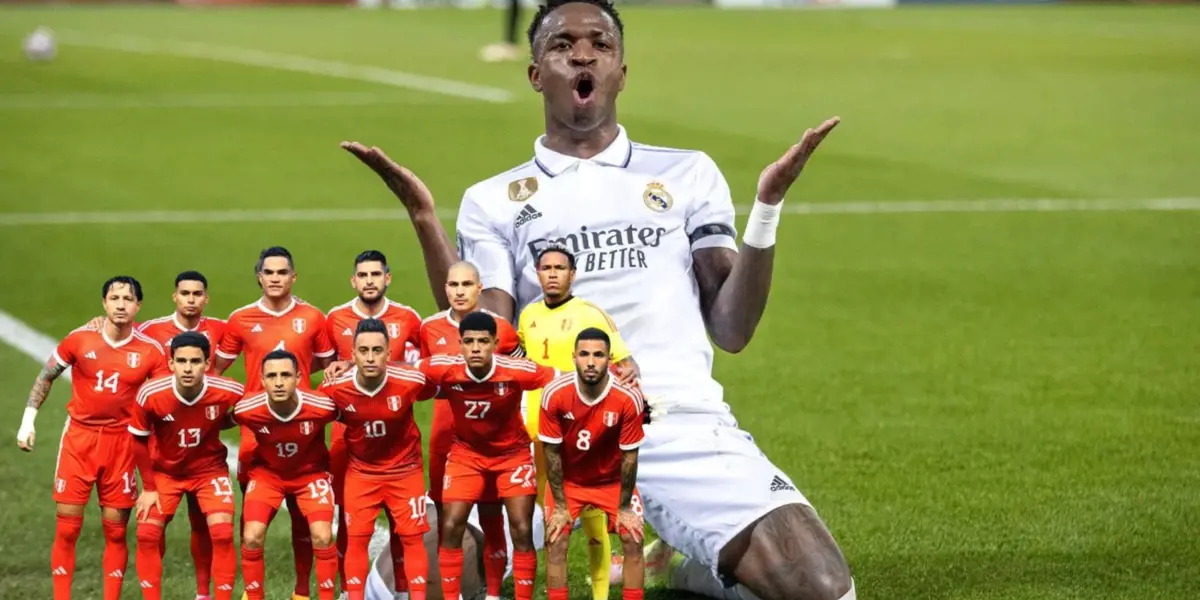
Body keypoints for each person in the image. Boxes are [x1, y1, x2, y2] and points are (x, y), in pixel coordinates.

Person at [340, 0, 852, 597]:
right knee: (408, 586)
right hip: (544, 433)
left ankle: (697, 567)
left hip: (676, 423)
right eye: (562, 45)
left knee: (823, 589)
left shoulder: (688, 174)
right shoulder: (495, 201)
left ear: (621, 71)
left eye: (600, 44)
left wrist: (766, 209)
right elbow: (488, 332)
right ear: (536, 73)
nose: (582, 54)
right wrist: (426, 220)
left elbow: (732, 329)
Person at [16, 276, 167, 600]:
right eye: (115, 298)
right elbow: (46, 376)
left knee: (115, 529)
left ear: (138, 306)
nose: (121, 304)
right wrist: (28, 420)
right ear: (104, 303)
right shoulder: (79, 339)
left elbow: (163, 401)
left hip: (123, 444)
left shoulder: (151, 353)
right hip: (79, 440)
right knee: (68, 527)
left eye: (128, 299)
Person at [212, 246, 337, 600]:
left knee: (304, 516)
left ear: (293, 277)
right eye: (269, 272)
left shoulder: (313, 317)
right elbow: (217, 371)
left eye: (283, 272)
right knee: (253, 516)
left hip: (303, 424)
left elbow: (329, 367)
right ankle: (250, 589)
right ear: (259, 276)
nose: (276, 278)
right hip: (255, 427)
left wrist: (296, 382)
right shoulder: (240, 319)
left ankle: (301, 591)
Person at [517, 244, 636, 600]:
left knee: (594, 520)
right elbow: (524, 361)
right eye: (546, 267)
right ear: (537, 273)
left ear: (573, 274)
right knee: (545, 518)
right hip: (537, 432)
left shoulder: (590, 314)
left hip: (580, 436)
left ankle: (600, 594)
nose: (552, 273)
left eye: (560, 268)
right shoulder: (529, 314)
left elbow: (624, 364)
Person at [414, 311, 557, 600]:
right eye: (469, 342)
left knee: (520, 527)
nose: (476, 348)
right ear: (460, 343)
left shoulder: (516, 370)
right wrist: (345, 367)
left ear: (494, 342)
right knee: (452, 522)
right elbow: (397, 371)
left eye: (483, 341)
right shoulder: (443, 367)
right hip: (467, 454)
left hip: (512, 455)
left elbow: (561, 380)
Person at [324, 250, 422, 597]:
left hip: (395, 433)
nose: (369, 281)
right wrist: (335, 370)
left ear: (387, 278)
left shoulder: (408, 318)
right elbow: (324, 367)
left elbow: (424, 364)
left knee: (403, 527)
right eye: (362, 275)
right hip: (348, 435)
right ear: (354, 281)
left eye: (375, 275)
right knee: (348, 521)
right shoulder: (334, 318)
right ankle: (347, 589)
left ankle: (401, 589)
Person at [320, 319, 440, 600]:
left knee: (411, 538)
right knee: (357, 539)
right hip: (362, 473)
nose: (371, 357)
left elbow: (447, 389)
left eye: (377, 350)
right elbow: (310, 416)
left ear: (389, 353)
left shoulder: (411, 381)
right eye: (364, 351)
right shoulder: (336, 390)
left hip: (405, 471)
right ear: (352, 354)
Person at [128, 332, 244, 600]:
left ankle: (208, 596)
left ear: (207, 363)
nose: (188, 368)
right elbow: (138, 440)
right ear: (171, 364)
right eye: (181, 361)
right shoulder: (151, 393)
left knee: (222, 531)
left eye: (195, 361)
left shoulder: (229, 390)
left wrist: (231, 423)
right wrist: (148, 488)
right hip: (165, 473)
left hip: (208, 470)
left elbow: (252, 410)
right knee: (147, 534)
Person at [135, 270, 227, 600]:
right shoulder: (149, 330)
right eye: (184, 293)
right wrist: (95, 325)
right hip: (162, 441)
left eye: (197, 293)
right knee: (150, 528)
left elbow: (267, 351)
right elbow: (118, 336)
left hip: (204, 440)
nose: (190, 299)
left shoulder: (221, 329)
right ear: (175, 296)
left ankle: (204, 594)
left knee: (207, 524)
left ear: (206, 298)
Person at [539, 328, 646, 600]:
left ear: (610, 359)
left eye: (598, 355)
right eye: (584, 354)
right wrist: (561, 506)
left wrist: (623, 508)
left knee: (633, 538)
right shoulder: (555, 394)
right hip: (569, 482)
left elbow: (629, 457)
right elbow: (550, 453)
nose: (590, 362)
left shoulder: (627, 397)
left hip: (612, 482)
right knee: (556, 539)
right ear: (573, 357)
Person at [232, 350, 340, 600]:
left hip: (310, 475)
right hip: (268, 475)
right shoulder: (247, 409)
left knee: (322, 536)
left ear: (299, 377)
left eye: (285, 375)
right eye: (272, 376)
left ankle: (306, 594)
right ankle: (254, 595)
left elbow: (353, 415)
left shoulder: (322, 406)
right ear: (262, 379)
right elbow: (218, 420)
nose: (279, 382)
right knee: (252, 536)